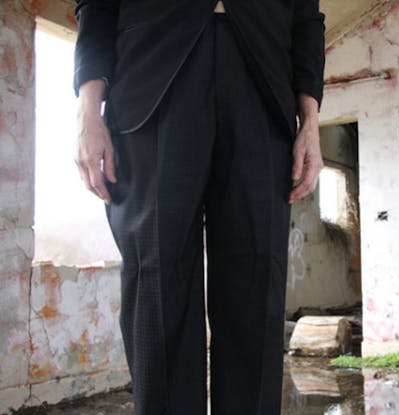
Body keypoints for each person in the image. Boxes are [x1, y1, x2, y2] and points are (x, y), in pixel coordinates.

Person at [72, 1, 325, 414]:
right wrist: (88, 111)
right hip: (151, 83)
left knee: (257, 280)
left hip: (263, 86)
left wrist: (310, 121)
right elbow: (98, 5)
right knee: (156, 279)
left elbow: (306, 19)